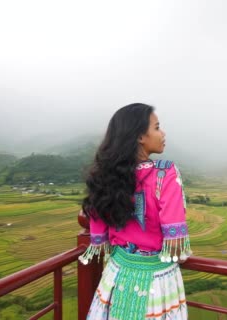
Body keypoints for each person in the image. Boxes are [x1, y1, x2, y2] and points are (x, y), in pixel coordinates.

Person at [78, 103, 191, 320]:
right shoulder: (165, 173)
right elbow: (175, 245)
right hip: (157, 282)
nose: (163, 133)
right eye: (157, 127)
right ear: (140, 136)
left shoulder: (105, 177)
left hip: (116, 277)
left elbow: (99, 241)